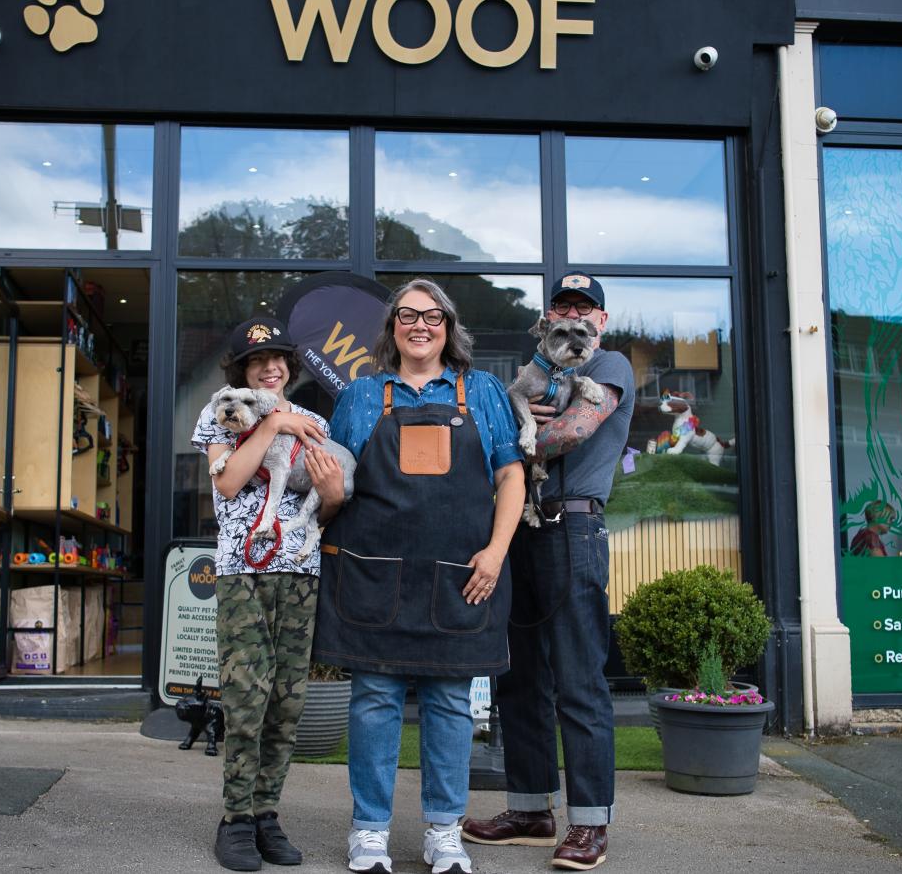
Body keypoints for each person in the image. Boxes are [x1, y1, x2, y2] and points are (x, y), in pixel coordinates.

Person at [313, 279, 525, 874]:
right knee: (374, 700)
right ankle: (370, 832)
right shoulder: (359, 396)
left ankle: (443, 831)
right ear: (393, 328)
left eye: (432, 316)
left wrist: (496, 551)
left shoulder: (481, 390)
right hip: (373, 574)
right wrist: (327, 497)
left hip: (461, 575)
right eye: (407, 315)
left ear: (449, 327)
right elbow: (337, 491)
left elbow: (510, 477)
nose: (420, 325)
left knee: (451, 702)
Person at [462, 273, 635, 872]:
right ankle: (531, 809)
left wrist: (515, 441)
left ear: (601, 322)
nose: (574, 316)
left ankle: (590, 823)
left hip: (573, 531)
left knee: (579, 680)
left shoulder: (610, 364)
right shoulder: (537, 365)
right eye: (563, 306)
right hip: (519, 531)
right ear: (547, 317)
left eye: (584, 309)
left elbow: (570, 432)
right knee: (519, 677)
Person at [192, 316, 347, 872]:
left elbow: (328, 504)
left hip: (301, 571)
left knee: (286, 701)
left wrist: (331, 497)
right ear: (242, 370)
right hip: (241, 573)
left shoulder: (314, 421)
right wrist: (271, 423)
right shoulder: (222, 414)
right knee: (245, 697)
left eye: (278, 359)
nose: (271, 367)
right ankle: (235, 818)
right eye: (259, 361)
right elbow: (228, 482)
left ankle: (266, 814)